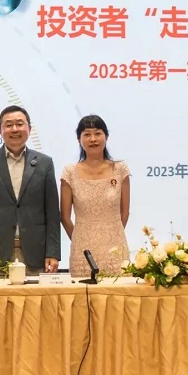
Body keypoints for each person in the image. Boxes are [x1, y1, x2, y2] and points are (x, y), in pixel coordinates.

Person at [0, 105, 61, 275]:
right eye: (9, 125)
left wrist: (53, 252)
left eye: (19, 124)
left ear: (29, 128)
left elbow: (53, 213)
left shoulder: (45, 163)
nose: (14, 129)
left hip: (36, 253)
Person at [60, 115, 130, 277]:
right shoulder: (69, 172)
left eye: (98, 133)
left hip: (115, 248)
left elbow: (125, 212)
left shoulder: (120, 169)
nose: (93, 139)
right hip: (83, 251)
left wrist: (113, 234)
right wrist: (79, 239)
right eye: (87, 134)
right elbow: (64, 217)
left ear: (106, 136)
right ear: (79, 139)